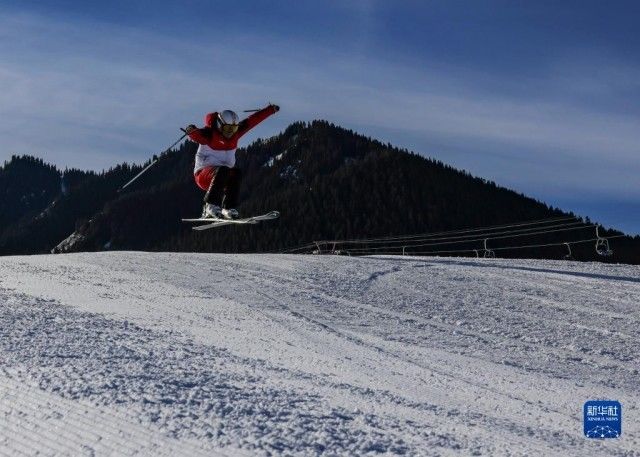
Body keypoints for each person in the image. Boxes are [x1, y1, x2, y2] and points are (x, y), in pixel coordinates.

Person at [185, 104, 279, 219]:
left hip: (221, 178)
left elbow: (252, 121)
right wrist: (191, 130)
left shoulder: (235, 135)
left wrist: (270, 110)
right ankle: (209, 206)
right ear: (220, 125)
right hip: (203, 175)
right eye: (227, 129)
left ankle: (227, 208)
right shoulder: (209, 134)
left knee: (236, 173)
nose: (230, 132)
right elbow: (197, 135)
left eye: (233, 129)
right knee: (224, 170)